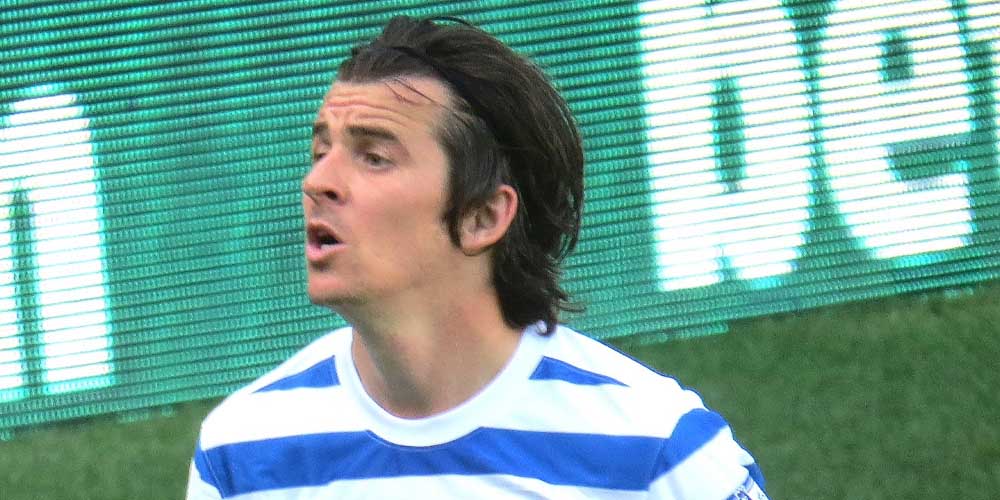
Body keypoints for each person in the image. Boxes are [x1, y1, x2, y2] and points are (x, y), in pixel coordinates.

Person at [186, 15, 768, 500]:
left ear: (483, 217)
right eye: (321, 151)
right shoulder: (240, 455)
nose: (318, 182)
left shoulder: (660, 455)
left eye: (374, 158)